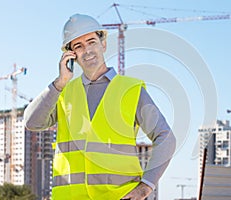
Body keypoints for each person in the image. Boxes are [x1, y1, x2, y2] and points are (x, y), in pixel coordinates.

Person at [24, 13, 176, 200]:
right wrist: (59, 82)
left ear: (103, 44)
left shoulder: (131, 90)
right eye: (78, 46)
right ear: (71, 56)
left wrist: (146, 186)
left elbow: (166, 138)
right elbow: (31, 122)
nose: (87, 50)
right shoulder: (62, 92)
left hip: (119, 196)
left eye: (91, 42)